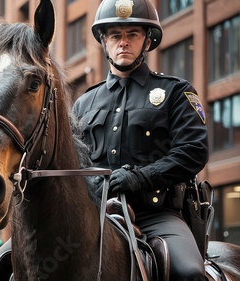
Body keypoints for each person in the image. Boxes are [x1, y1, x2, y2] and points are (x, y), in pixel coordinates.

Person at [72, 0, 208, 280]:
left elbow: (194, 151)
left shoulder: (174, 91)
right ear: (104, 42)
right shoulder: (84, 103)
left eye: (132, 34)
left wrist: (141, 178)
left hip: (156, 215)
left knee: (190, 273)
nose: (123, 42)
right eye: (115, 35)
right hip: (92, 216)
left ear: (147, 42)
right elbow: (72, 163)